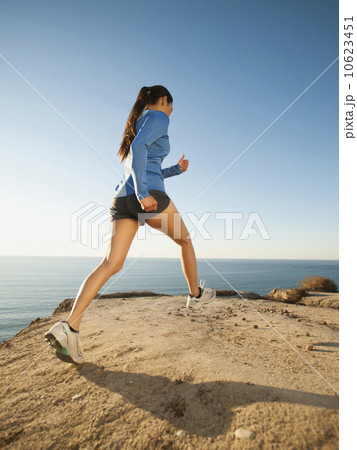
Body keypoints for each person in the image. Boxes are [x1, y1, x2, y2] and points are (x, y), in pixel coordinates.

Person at [45, 85, 216, 364]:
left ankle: (70, 326)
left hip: (120, 198)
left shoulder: (136, 123)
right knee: (185, 240)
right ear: (164, 100)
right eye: (171, 106)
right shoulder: (159, 117)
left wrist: (175, 169)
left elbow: (145, 162)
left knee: (111, 263)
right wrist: (143, 194)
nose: (172, 111)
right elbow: (140, 151)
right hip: (143, 196)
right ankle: (196, 295)